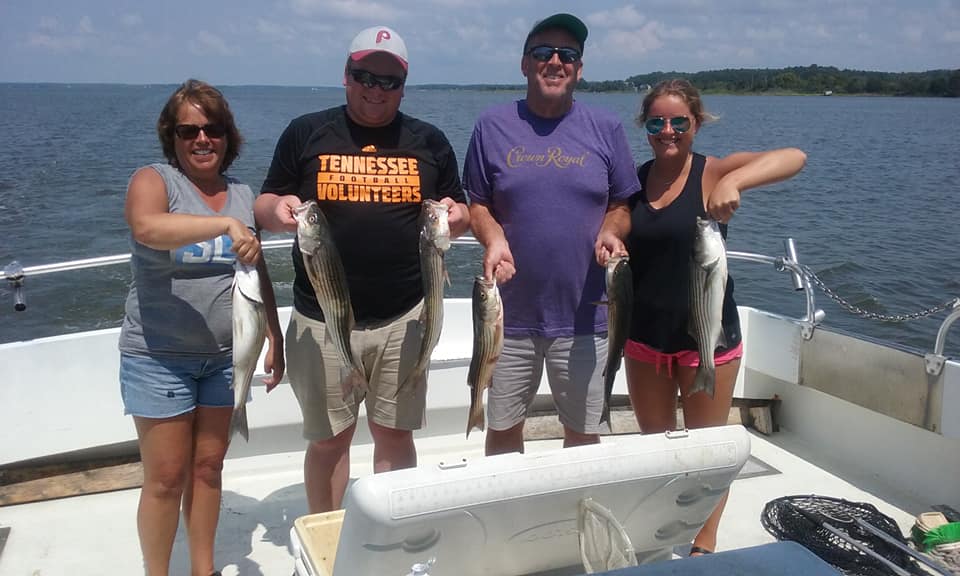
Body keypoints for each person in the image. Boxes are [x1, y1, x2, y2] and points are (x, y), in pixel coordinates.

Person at [254, 26, 470, 514]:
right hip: (322, 316)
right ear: (346, 76)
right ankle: (330, 539)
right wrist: (279, 208)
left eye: (388, 80)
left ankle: (392, 539)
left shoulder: (429, 141)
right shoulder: (306, 132)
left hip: (406, 315)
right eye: (364, 75)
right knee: (331, 440)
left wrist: (456, 218)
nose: (375, 88)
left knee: (394, 436)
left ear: (404, 85)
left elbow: (459, 210)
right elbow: (264, 203)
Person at [624, 78, 807, 555]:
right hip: (645, 341)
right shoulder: (633, 178)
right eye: (657, 122)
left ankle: (704, 545)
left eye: (679, 122)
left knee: (708, 456)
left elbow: (794, 157)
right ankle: (661, 539)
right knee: (657, 453)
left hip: (709, 341)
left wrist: (733, 180)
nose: (668, 131)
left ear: (696, 124)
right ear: (645, 126)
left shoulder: (713, 171)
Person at [118, 79, 285, 576]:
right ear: (172, 137)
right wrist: (224, 227)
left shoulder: (241, 193)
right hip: (158, 357)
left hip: (226, 359)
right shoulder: (155, 181)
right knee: (166, 479)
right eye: (188, 130)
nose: (201, 139)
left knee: (208, 469)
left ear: (228, 136)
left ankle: (204, 569)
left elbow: (256, 273)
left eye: (212, 129)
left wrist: (274, 334)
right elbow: (147, 226)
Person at [463, 13, 640, 456]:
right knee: (502, 432)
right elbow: (477, 204)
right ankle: (508, 521)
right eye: (543, 53)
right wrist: (493, 239)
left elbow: (622, 204)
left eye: (568, 54)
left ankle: (579, 520)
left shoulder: (606, 128)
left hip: (586, 318)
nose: (555, 61)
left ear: (579, 69)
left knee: (582, 436)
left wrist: (611, 232)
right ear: (525, 64)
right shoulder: (491, 126)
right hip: (507, 316)